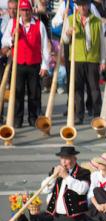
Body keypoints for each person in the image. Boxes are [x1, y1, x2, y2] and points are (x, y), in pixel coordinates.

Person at [2, 0, 48, 128]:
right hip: (18, 64)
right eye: (22, 10)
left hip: (34, 64)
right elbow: (4, 41)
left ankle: (33, 118)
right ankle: (17, 119)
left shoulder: (39, 25)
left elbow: (44, 46)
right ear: (19, 11)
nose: (25, 12)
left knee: (34, 93)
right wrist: (12, 36)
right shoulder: (13, 23)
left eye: (27, 10)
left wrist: (45, 65)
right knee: (18, 92)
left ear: (31, 10)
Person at [61, 0, 106, 124]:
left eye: (85, 4)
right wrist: (68, 33)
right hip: (77, 59)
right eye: (80, 5)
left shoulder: (97, 21)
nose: (83, 7)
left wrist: (103, 60)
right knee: (77, 89)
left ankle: (97, 115)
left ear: (88, 5)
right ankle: (79, 115)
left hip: (92, 59)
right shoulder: (70, 19)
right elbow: (64, 40)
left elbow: (102, 43)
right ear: (77, 6)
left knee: (94, 89)